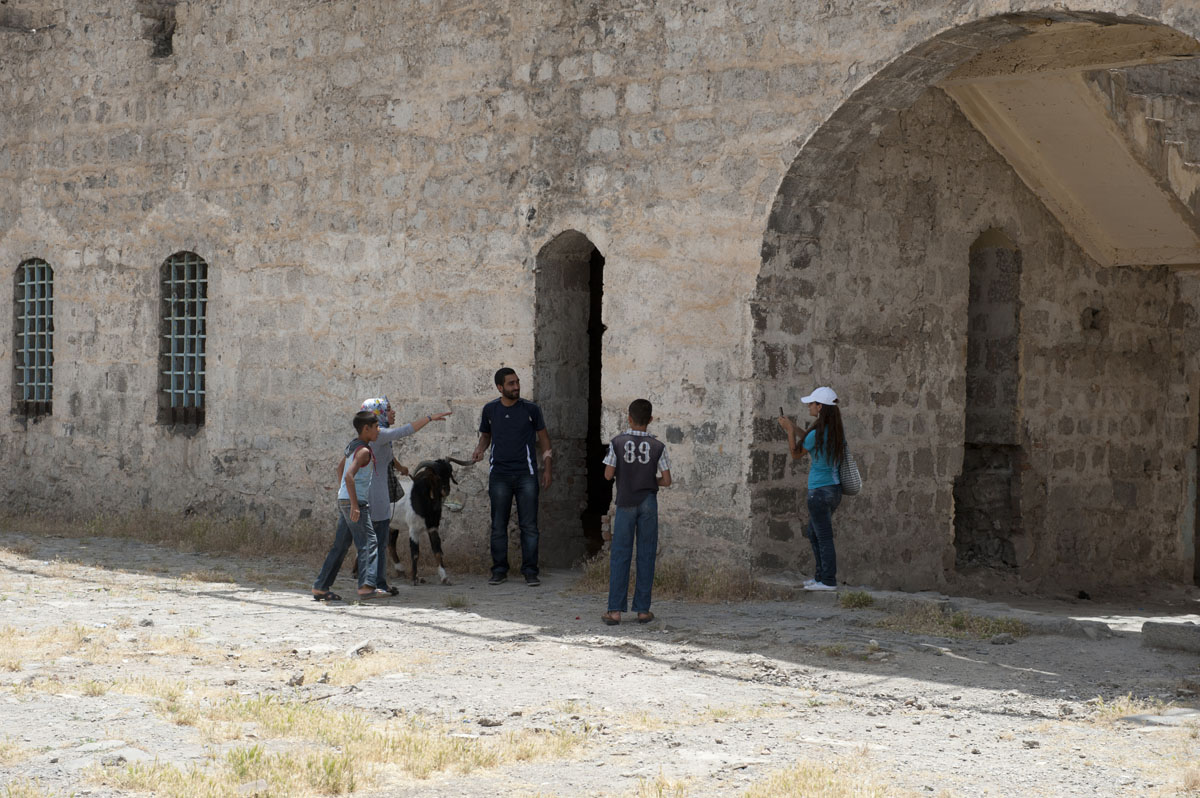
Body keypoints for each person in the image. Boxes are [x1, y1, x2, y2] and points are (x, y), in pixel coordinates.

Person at [356, 397, 452, 592]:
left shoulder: (377, 437)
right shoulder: (380, 434)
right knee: (378, 536)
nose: (393, 412)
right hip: (376, 490)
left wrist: (400, 467)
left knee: (378, 535)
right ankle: (370, 583)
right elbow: (406, 430)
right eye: (388, 410)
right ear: (378, 414)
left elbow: (387, 455)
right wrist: (429, 418)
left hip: (381, 488)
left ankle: (375, 582)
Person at [471, 368, 552, 586]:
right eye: (511, 384)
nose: (516, 387)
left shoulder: (531, 409)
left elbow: (544, 439)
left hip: (527, 475)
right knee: (498, 526)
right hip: (499, 475)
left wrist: (547, 468)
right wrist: (479, 449)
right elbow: (486, 436)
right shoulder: (490, 410)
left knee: (529, 526)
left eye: (517, 382)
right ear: (500, 387)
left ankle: (530, 572)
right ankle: (499, 570)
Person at [600, 399, 671, 626]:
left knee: (621, 554)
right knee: (646, 553)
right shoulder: (658, 446)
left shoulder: (617, 442)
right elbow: (667, 480)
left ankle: (614, 611)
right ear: (650, 419)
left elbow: (608, 475)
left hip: (626, 501)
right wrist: (650, 480)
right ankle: (642, 610)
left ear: (628, 418)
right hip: (648, 501)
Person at [312, 411, 388, 601]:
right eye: (376, 427)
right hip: (356, 502)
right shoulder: (363, 452)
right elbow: (348, 475)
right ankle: (366, 586)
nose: (379, 430)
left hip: (345, 500)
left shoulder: (352, 447)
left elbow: (340, 468)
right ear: (366, 429)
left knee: (341, 545)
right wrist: (354, 504)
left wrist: (344, 495)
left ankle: (321, 586)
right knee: (369, 542)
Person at [778, 386, 847, 591]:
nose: (809, 406)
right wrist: (794, 427)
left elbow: (796, 453)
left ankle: (827, 580)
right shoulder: (833, 430)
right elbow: (808, 439)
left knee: (823, 536)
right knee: (814, 532)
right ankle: (820, 578)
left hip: (819, 492)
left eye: (812, 403)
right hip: (834, 490)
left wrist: (789, 431)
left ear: (820, 407)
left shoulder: (818, 433)